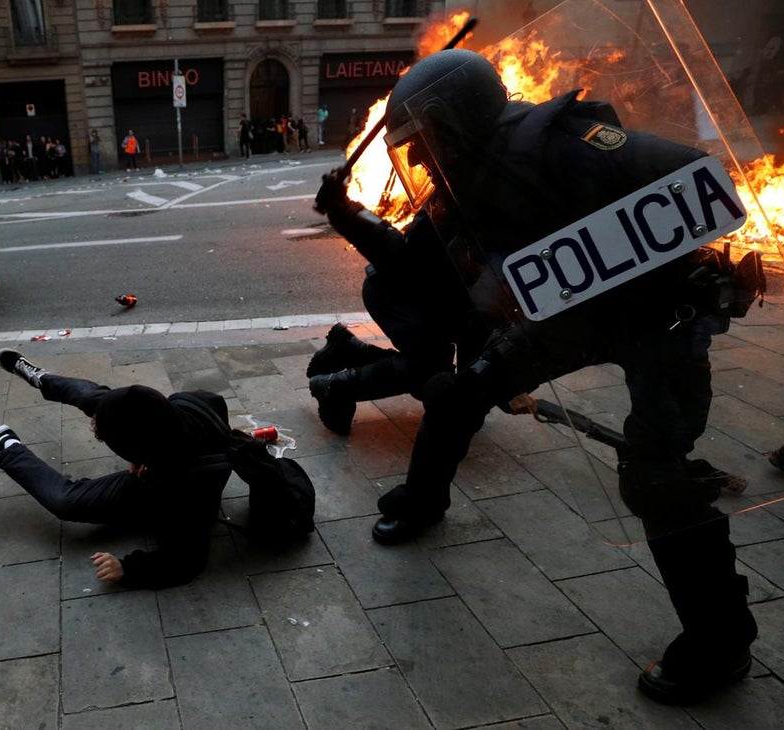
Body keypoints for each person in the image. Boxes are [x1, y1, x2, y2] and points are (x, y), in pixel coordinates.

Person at [313, 49, 757, 705]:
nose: (420, 160)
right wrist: (345, 213)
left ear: (452, 120)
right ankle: (423, 502)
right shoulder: (463, 183)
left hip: (656, 321)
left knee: (656, 473)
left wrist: (689, 264)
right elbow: (413, 263)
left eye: (423, 142)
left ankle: (720, 642)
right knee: (458, 395)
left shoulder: (560, 143)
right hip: (566, 323)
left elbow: (692, 178)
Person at [0, 350, 235, 588]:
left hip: (167, 487)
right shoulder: (181, 407)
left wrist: (128, 569)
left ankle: (6, 447)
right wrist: (143, 455)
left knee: (66, 502)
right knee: (106, 402)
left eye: (101, 434)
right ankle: (42, 379)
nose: (93, 427)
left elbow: (188, 561)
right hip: (161, 452)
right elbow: (150, 412)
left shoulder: (182, 497)